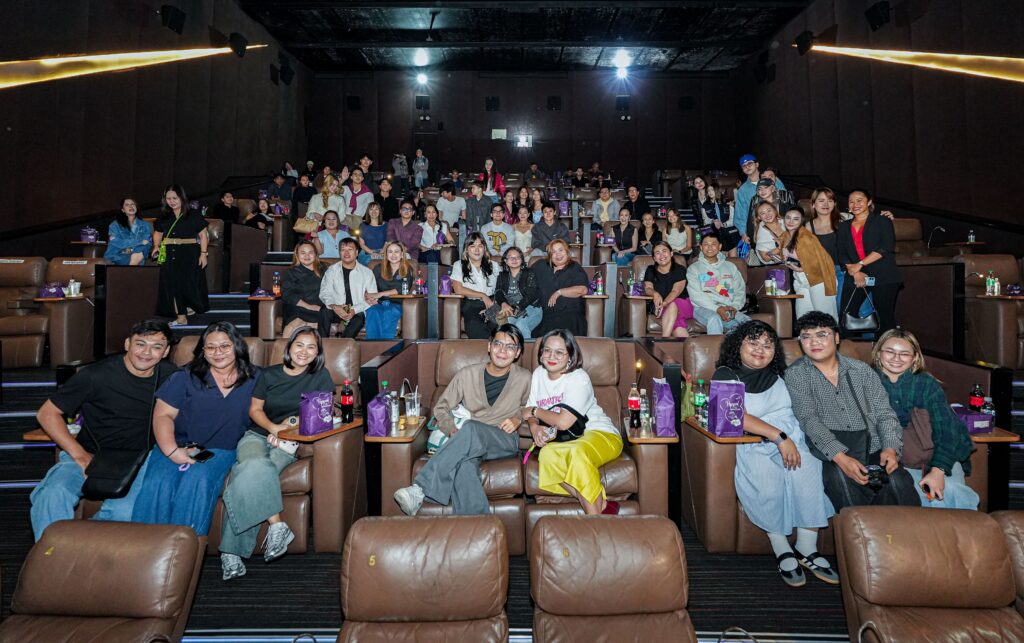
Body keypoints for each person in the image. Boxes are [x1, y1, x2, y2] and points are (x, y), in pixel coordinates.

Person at [713, 321, 837, 587]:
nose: (760, 349)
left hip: (794, 436)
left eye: (768, 345)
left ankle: (806, 547)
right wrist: (779, 438)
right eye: (753, 342)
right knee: (767, 481)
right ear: (738, 346)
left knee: (809, 472)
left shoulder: (781, 373)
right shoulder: (726, 373)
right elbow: (733, 416)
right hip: (756, 440)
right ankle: (781, 547)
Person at [30, 320, 175, 541]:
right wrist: (79, 455)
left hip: (142, 460)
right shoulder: (95, 375)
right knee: (52, 494)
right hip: (91, 454)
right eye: (140, 344)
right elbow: (46, 414)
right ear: (127, 344)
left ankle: (82, 546)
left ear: (166, 352)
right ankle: (52, 554)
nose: (147, 352)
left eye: (156, 346)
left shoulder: (172, 377)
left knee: (123, 513)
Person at [219, 326, 334, 580]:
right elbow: (255, 410)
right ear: (289, 347)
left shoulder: (320, 376)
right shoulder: (268, 374)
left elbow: (321, 413)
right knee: (254, 466)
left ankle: (230, 552)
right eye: (299, 345)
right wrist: (272, 428)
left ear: (317, 353)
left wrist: (286, 428)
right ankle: (277, 525)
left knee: (247, 474)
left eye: (311, 347)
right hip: (257, 434)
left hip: (289, 442)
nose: (304, 352)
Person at [132, 322, 260, 536]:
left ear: (237, 347)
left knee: (198, 479)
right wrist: (172, 451)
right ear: (203, 351)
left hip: (222, 449)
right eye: (211, 347)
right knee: (158, 483)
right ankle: (145, 546)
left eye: (225, 346)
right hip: (177, 444)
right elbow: (163, 415)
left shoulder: (255, 377)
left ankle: (185, 547)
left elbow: (279, 402)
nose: (218, 352)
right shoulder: (184, 376)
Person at [785, 311, 920, 511]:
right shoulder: (796, 375)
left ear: (836, 338)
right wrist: (841, 458)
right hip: (832, 450)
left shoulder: (861, 370)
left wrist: (891, 448)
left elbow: (885, 413)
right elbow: (809, 419)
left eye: (822, 334)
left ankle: (903, 532)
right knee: (841, 483)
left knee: (898, 483)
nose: (814, 342)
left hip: (872, 446)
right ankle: (860, 531)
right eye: (806, 336)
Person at [393, 324, 531, 516]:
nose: (503, 350)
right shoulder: (467, 374)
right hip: (469, 441)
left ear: (517, 353)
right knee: (464, 467)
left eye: (510, 347)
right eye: (498, 344)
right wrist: (451, 430)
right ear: (489, 346)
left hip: (503, 439)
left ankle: (420, 489)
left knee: (471, 427)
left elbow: (534, 409)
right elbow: (441, 407)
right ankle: (479, 527)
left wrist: (517, 418)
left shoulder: (525, 378)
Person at [872, 329, 979, 510]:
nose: (896, 358)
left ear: (914, 358)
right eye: (890, 351)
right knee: (913, 494)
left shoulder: (926, 384)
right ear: (878, 353)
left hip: (940, 454)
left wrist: (938, 470)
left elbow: (946, 430)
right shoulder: (865, 381)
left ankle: (968, 527)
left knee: (950, 492)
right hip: (899, 459)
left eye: (904, 353)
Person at [524, 329, 623, 515]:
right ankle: (601, 505)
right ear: (541, 353)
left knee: (577, 454)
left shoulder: (579, 378)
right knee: (546, 456)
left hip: (601, 434)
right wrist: (534, 426)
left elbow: (562, 422)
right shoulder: (538, 374)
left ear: (570, 356)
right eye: (547, 350)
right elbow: (528, 411)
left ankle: (595, 523)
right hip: (567, 441)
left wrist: (536, 411)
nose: (551, 356)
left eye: (559, 352)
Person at [837, 189, 902, 336]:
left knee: (884, 318)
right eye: (851, 201)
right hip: (855, 273)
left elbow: (885, 248)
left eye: (859, 200)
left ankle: (885, 348)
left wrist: (860, 264)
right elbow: (841, 253)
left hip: (883, 273)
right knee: (847, 315)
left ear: (869, 202)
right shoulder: (843, 226)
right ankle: (849, 349)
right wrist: (855, 272)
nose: (855, 204)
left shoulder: (882, 220)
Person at [152, 185, 209, 326]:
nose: (171, 201)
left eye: (174, 198)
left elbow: (203, 235)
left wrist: (203, 254)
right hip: (170, 252)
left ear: (182, 198)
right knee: (173, 284)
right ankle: (181, 316)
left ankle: (189, 306)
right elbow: (158, 233)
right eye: (168, 199)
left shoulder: (193, 214)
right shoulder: (164, 215)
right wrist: (156, 246)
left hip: (189, 253)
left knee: (188, 284)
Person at [780, 205, 838, 320]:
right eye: (788, 218)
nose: (790, 221)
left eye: (796, 219)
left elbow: (820, 262)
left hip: (818, 280)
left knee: (826, 317)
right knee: (803, 318)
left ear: (801, 221)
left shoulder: (806, 237)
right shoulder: (786, 236)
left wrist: (800, 268)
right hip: (801, 281)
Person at [686, 233, 750, 335]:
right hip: (703, 308)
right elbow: (696, 296)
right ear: (701, 247)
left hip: (729, 306)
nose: (709, 247)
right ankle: (715, 346)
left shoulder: (731, 267)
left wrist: (734, 307)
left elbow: (740, 290)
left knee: (747, 322)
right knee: (714, 318)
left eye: (713, 244)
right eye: (706, 244)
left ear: (719, 246)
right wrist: (717, 309)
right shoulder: (694, 269)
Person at [319, 237, 378, 337]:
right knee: (324, 311)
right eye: (343, 250)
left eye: (350, 249)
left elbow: (373, 297)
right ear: (339, 253)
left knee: (359, 318)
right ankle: (321, 343)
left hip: (356, 309)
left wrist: (354, 310)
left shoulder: (367, 272)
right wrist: (335, 306)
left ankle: (344, 343)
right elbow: (324, 292)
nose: (346, 253)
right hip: (337, 307)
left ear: (357, 252)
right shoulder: (332, 270)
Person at [532, 239, 589, 337]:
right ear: (550, 255)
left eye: (560, 250)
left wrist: (559, 292)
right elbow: (525, 276)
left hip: (570, 315)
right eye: (553, 252)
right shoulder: (541, 265)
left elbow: (582, 290)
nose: (558, 254)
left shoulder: (574, 267)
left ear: (567, 252)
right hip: (547, 316)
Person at [451, 233, 500, 339]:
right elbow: (458, 289)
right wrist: (482, 295)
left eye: (480, 246)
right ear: (466, 249)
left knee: (498, 329)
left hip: (492, 303)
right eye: (472, 246)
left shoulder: (494, 265)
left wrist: (493, 307)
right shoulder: (459, 265)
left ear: (485, 248)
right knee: (476, 328)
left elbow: (501, 288)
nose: (477, 250)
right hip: (471, 305)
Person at [365, 241, 415, 340]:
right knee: (372, 311)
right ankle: (372, 345)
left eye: (396, 251)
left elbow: (400, 289)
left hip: (397, 304)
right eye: (390, 252)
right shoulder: (378, 268)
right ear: (386, 255)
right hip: (379, 303)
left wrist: (379, 294)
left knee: (390, 312)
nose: (393, 255)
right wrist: (369, 298)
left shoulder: (407, 269)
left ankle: (387, 346)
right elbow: (368, 286)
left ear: (402, 254)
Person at [734, 154, 787, 245]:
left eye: (750, 163)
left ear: (757, 164)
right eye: (744, 166)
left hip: (780, 222)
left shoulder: (772, 178)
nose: (747, 167)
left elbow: (785, 199)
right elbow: (740, 214)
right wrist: (743, 233)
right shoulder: (742, 190)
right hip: (759, 227)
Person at [281, 241, 330, 338]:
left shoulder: (325, 268)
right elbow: (287, 294)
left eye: (310, 252)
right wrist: (309, 306)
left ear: (315, 254)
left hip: (319, 307)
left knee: (317, 323)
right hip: (298, 307)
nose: (307, 256)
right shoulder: (292, 272)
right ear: (297, 255)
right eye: (303, 253)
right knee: (294, 325)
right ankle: (285, 347)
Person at [643, 241, 692, 338]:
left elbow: (675, 291)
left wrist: (664, 304)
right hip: (663, 307)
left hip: (683, 304)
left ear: (671, 253)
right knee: (677, 325)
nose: (661, 255)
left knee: (673, 304)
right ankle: (688, 346)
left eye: (664, 251)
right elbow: (648, 288)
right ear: (654, 258)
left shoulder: (680, 269)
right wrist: (655, 294)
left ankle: (664, 340)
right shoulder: (650, 270)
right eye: (657, 253)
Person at [493, 246, 542, 339]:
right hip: (511, 308)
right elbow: (498, 292)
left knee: (521, 325)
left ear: (522, 260)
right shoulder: (502, 276)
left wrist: (518, 307)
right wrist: (504, 304)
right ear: (505, 261)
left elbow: (531, 295)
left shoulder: (529, 273)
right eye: (511, 257)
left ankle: (526, 348)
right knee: (509, 328)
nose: (514, 259)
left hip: (531, 307)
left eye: (517, 257)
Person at [105, 197, 153, 265]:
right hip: (118, 254)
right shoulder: (115, 225)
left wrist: (132, 250)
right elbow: (115, 241)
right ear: (123, 210)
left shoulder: (146, 225)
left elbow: (147, 242)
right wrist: (139, 242)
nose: (131, 206)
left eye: (132, 204)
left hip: (138, 252)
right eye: (127, 205)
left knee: (144, 247)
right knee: (138, 255)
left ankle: (134, 262)